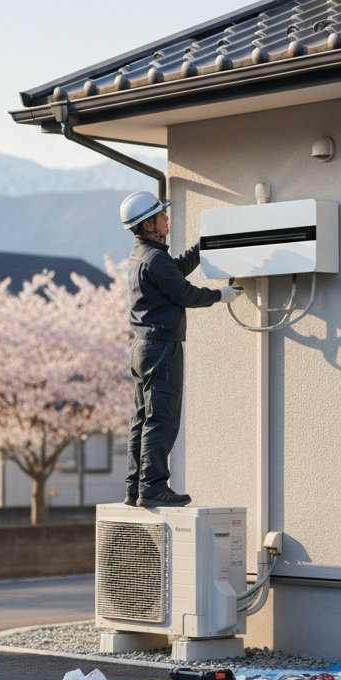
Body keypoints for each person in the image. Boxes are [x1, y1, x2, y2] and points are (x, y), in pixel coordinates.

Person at [121, 190, 242, 508]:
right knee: (162, 418)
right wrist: (221, 295)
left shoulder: (142, 255)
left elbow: (174, 272)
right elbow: (184, 293)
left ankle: (136, 487)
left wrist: (202, 247)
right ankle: (154, 487)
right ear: (148, 223)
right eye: (161, 216)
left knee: (144, 418)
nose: (166, 219)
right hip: (161, 348)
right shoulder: (155, 258)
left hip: (143, 347)